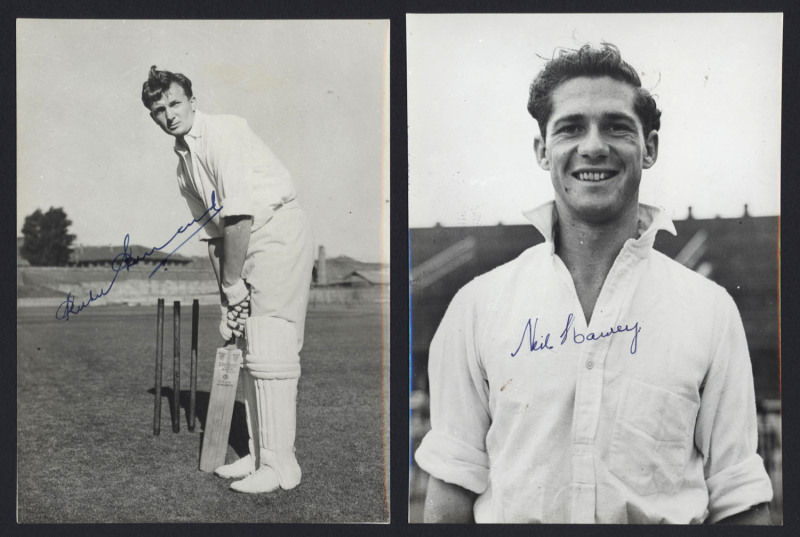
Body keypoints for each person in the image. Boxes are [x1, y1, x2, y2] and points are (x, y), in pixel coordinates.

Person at [414, 43, 774, 523]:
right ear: (543, 151)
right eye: (571, 127)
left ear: (649, 148)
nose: (593, 146)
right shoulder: (478, 306)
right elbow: (451, 490)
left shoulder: (709, 310)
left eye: (616, 126)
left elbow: (738, 496)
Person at [142, 66, 315, 493]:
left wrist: (235, 284)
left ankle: (282, 467)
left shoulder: (223, 133)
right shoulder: (183, 168)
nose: (169, 115)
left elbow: (239, 215)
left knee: (271, 344)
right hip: (241, 244)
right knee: (251, 345)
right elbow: (216, 237)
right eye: (159, 109)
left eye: (175, 103)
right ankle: (258, 456)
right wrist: (229, 300)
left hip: (275, 231)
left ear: (192, 100)